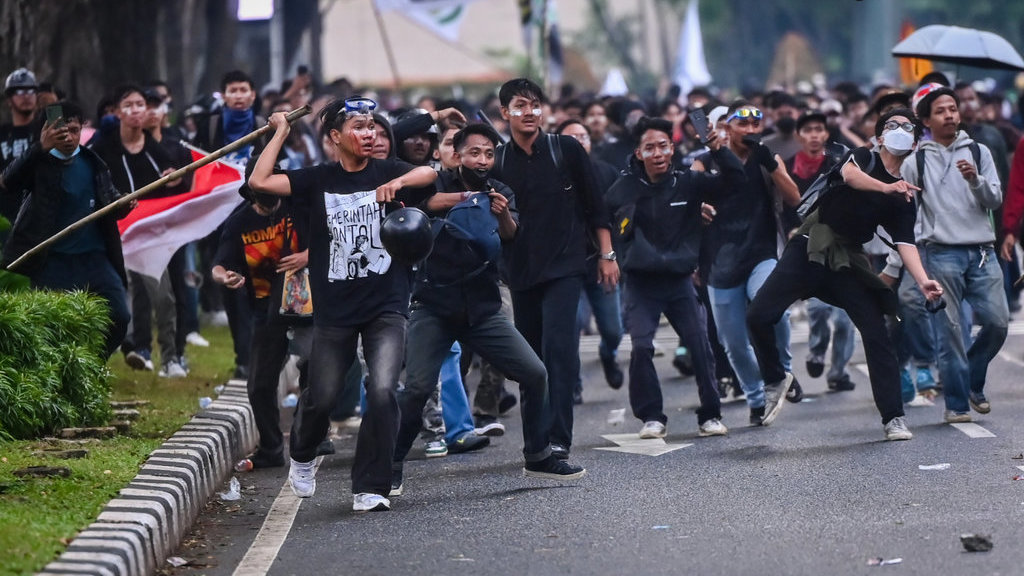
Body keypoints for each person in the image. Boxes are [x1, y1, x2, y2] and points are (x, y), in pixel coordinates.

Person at [249, 96, 437, 512]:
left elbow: (430, 171)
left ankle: (371, 485)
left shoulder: (389, 169)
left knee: (385, 390)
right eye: (358, 126)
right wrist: (281, 131)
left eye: (372, 126)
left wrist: (400, 184)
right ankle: (301, 451)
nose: (368, 133)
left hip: (387, 304)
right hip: (334, 309)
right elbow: (261, 181)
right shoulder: (317, 180)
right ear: (335, 137)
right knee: (323, 395)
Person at [392, 123, 586, 496]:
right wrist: (468, 198)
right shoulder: (436, 184)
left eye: (488, 153)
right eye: (474, 152)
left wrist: (500, 213)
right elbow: (419, 207)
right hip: (433, 305)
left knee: (535, 373)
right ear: (457, 154)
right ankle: (390, 464)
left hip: (483, 307)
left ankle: (539, 455)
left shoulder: (501, 190)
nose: (482, 160)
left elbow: (511, 234)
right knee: (416, 388)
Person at [746, 108, 944, 440]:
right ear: (879, 137)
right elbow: (851, 177)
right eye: (892, 126)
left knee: (876, 330)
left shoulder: (904, 195)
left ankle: (894, 417)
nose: (900, 130)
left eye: (907, 127)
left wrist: (924, 280)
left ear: (913, 143)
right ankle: (775, 378)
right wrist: (885, 188)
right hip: (809, 247)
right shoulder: (863, 157)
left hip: (846, 261)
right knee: (758, 316)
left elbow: (905, 242)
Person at [492, 78, 619, 461]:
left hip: (565, 268)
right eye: (520, 105)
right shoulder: (496, 160)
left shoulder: (564, 149)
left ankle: (559, 437)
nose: (529, 112)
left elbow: (596, 205)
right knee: (532, 362)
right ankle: (536, 441)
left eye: (535, 105)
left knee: (560, 352)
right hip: (520, 271)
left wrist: (606, 255)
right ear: (504, 113)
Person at [606, 116, 745, 438]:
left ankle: (710, 414)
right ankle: (652, 417)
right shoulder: (623, 188)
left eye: (663, 146)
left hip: (681, 280)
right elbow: (600, 220)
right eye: (650, 147)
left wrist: (716, 146)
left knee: (700, 345)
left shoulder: (688, 182)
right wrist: (612, 256)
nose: (658, 153)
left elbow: (736, 181)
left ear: (673, 148)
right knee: (641, 348)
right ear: (639, 153)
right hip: (640, 283)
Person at [900, 84, 1007, 423]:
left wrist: (975, 180)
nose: (950, 115)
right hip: (940, 253)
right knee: (949, 333)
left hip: (981, 252)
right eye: (941, 111)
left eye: (953, 109)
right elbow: (906, 215)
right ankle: (958, 404)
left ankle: (972, 375)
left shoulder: (979, 152)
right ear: (926, 120)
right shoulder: (916, 161)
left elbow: (994, 200)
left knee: (997, 322)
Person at [694, 101, 801, 426]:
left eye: (757, 125)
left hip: (761, 254)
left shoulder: (766, 158)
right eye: (744, 125)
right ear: (727, 127)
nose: (752, 131)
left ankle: (782, 370)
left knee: (774, 309)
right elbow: (688, 199)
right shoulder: (704, 162)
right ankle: (757, 400)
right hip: (719, 263)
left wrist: (772, 165)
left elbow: (795, 197)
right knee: (734, 344)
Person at [0, 101, 132, 358]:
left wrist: (123, 204)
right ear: (48, 132)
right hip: (53, 262)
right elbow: (7, 181)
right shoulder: (39, 162)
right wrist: (39, 148)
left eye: (73, 130)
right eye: (61, 132)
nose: (69, 137)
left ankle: (93, 363)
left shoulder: (94, 162)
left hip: (95, 259)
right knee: (51, 327)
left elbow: (109, 201)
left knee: (119, 315)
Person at [212, 187, 309, 470]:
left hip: (308, 304)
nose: (271, 195)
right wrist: (225, 277)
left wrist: (306, 256)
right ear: (251, 193)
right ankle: (271, 448)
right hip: (266, 308)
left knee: (317, 369)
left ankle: (312, 435)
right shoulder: (239, 222)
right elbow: (219, 265)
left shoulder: (299, 203)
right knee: (259, 385)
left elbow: (329, 238)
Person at [91, 83, 184, 377]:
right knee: (125, 296)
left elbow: (174, 179)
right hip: (114, 234)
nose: (135, 111)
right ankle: (134, 348)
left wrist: (172, 178)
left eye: (140, 105)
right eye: (128, 105)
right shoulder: (103, 146)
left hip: (151, 233)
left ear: (147, 112)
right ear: (117, 112)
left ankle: (170, 357)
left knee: (162, 295)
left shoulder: (158, 150)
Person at [785, 111, 856, 392]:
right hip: (805, 245)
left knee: (844, 316)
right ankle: (816, 350)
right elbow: (784, 207)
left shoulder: (839, 164)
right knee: (817, 309)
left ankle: (838, 372)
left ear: (826, 134)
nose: (814, 135)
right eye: (808, 130)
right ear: (798, 136)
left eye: (819, 129)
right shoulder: (788, 168)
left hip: (839, 243)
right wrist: (793, 230)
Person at [556, 118, 625, 394]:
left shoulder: (605, 172)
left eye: (582, 137)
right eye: (570, 138)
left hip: (602, 263)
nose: (578, 143)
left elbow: (620, 216)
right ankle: (573, 383)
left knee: (613, 330)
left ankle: (608, 354)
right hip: (566, 267)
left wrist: (613, 254)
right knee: (571, 328)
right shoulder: (552, 176)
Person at [1, 68, 41, 224]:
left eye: (31, 90)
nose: (26, 96)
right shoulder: (2, 133)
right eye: (19, 91)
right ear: (9, 100)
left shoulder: (44, 131)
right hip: (5, 215)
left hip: (37, 213)